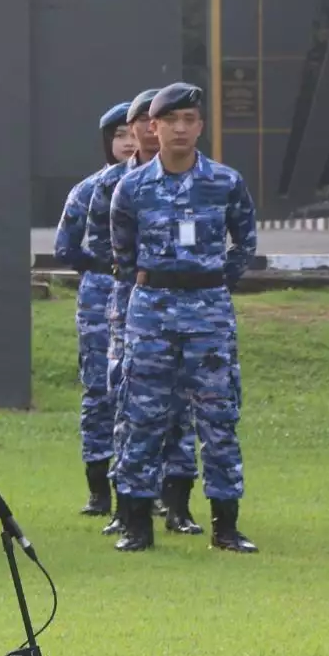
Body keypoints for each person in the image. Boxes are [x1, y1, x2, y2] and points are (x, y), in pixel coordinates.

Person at [109, 82, 258, 554]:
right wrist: (161, 281)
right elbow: (123, 252)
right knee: (143, 415)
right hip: (151, 312)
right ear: (151, 128)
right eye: (170, 120)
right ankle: (136, 522)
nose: (180, 128)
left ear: (200, 126)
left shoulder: (224, 182)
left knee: (218, 416)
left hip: (209, 313)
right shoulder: (131, 187)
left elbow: (245, 243)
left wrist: (210, 281)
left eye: (189, 120)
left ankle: (226, 526)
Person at [85, 88, 201, 538]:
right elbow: (96, 246)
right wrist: (136, 281)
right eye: (145, 123)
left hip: (188, 313)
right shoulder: (113, 186)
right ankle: (123, 501)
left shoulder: (202, 179)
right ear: (139, 128)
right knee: (127, 405)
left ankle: (176, 504)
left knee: (181, 408)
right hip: (130, 309)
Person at [55, 101, 140, 518]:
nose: (127, 143)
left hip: (143, 297)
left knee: (145, 392)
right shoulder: (90, 190)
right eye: (119, 136)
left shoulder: (155, 185)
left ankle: (145, 487)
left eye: (132, 133)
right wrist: (105, 266)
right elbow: (65, 247)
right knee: (99, 392)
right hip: (99, 298)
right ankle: (98, 488)